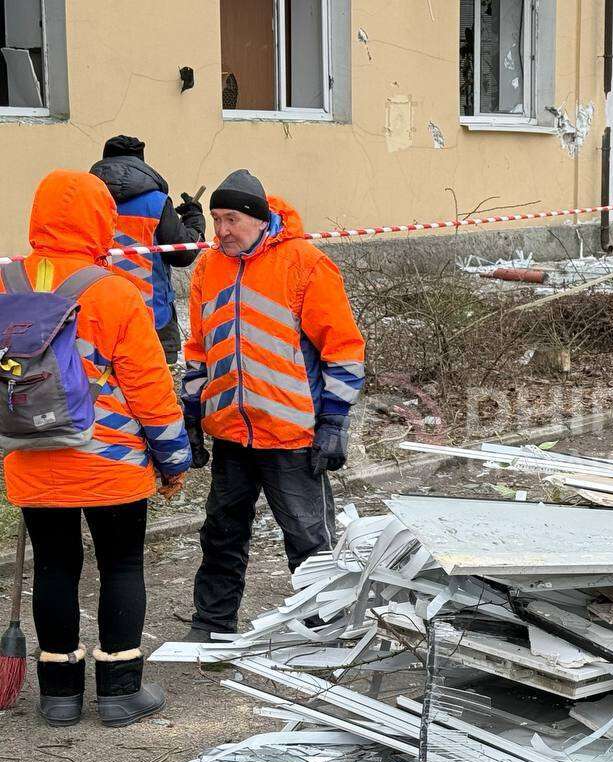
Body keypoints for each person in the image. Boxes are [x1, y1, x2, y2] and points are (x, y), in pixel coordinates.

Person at [0, 171, 191, 727]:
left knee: (55, 568)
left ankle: (59, 694)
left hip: (32, 456)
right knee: (121, 564)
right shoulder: (113, 291)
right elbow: (152, 392)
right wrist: (173, 460)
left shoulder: (7, 287)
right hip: (111, 463)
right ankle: (118, 690)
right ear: (99, 220)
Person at [181, 170, 365, 643]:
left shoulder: (305, 264)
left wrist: (332, 423)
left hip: (293, 435)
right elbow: (199, 346)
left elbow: (343, 350)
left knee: (310, 541)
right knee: (221, 535)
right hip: (231, 434)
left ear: (261, 220)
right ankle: (213, 627)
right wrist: (194, 409)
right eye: (216, 219)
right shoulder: (208, 267)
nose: (221, 230)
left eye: (232, 219)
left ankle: (326, 630)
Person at [89, 135, 206, 363]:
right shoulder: (156, 202)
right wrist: (194, 218)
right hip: (153, 319)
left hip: (97, 319)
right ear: (141, 163)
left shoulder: (86, 201)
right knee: (155, 392)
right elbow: (183, 253)